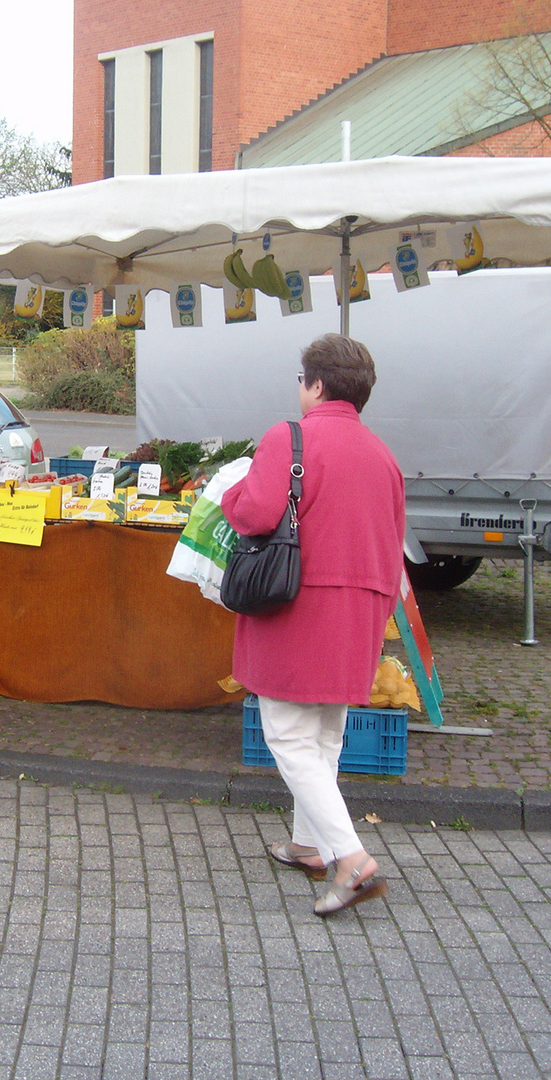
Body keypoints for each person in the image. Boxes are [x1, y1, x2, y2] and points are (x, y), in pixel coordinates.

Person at [221, 334, 406, 917]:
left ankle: (350, 860)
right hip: (363, 607)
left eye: (302, 380)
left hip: (300, 604)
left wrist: (229, 492)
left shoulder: (289, 437)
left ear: (317, 385)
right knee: (325, 733)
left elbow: (254, 511)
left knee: (288, 735)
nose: (298, 390)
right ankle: (308, 846)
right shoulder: (383, 454)